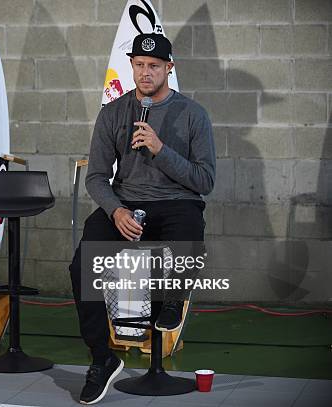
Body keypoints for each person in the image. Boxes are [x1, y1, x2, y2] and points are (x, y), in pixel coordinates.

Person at [70, 33, 216, 404]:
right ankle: (102, 358)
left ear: (169, 68)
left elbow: (204, 180)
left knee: (189, 227)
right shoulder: (114, 113)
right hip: (126, 204)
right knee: (81, 265)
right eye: (139, 65)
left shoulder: (192, 114)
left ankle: (171, 301)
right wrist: (116, 209)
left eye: (153, 66)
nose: (145, 72)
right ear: (131, 66)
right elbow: (97, 177)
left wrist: (160, 149)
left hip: (176, 201)